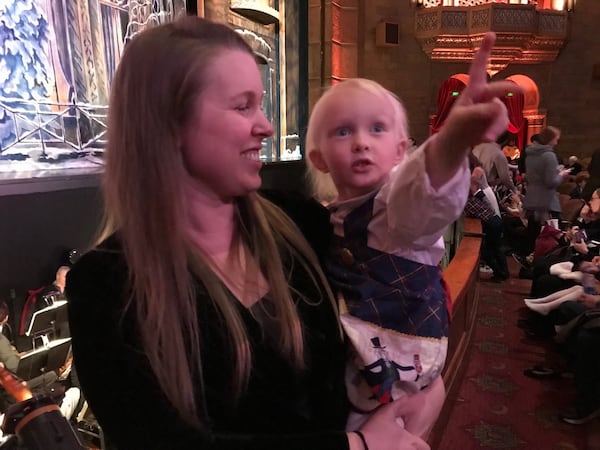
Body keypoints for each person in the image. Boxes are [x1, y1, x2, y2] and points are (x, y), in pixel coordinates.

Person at [65, 16, 429, 450]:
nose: (266, 126)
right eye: (243, 106)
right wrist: (356, 446)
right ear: (169, 123)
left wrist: (426, 387)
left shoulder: (302, 221)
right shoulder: (106, 283)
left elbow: (401, 301)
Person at [304, 33, 516, 438]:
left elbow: (422, 198)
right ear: (318, 157)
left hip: (397, 364)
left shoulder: (393, 207)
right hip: (357, 363)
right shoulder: (333, 216)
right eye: (343, 132)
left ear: (401, 150)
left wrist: (453, 140)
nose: (362, 142)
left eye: (377, 128)